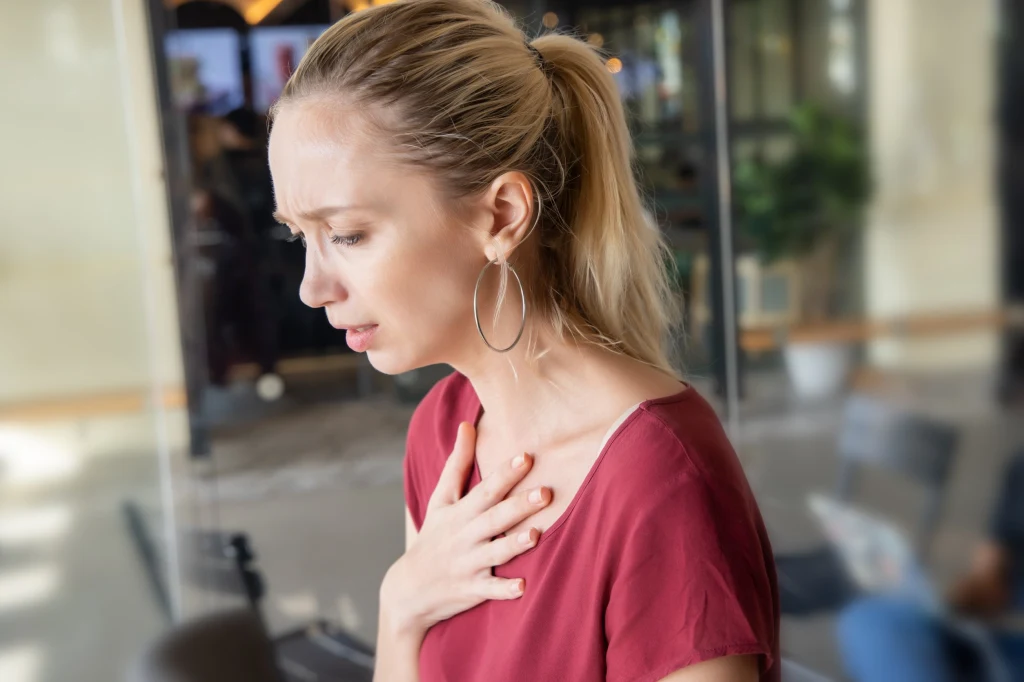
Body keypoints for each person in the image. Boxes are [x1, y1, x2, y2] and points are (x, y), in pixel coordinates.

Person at [266, 1, 779, 680]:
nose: (312, 287)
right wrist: (400, 606)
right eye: (301, 237)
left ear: (502, 215)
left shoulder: (659, 480)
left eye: (349, 235)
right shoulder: (444, 432)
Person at [838, 451, 1024, 681]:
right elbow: (989, 573)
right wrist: (956, 603)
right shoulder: (1019, 467)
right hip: (997, 637)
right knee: (870, 619)